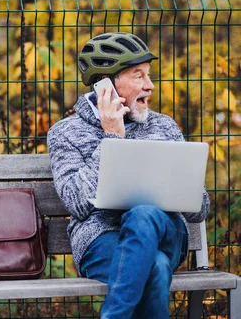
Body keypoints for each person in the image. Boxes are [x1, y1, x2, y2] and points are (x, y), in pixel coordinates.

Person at [47, 32, 210, 319]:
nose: (150, 86)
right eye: (138, 76)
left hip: (165, 233)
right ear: (106, 85)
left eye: (148, 75)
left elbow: (200, 210)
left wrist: (179, 181)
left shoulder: (164, 126)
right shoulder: (66, 132)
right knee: (156, 268)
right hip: (101, 239)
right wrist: (112, 138)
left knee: (144, 214)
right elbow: (76, 203)